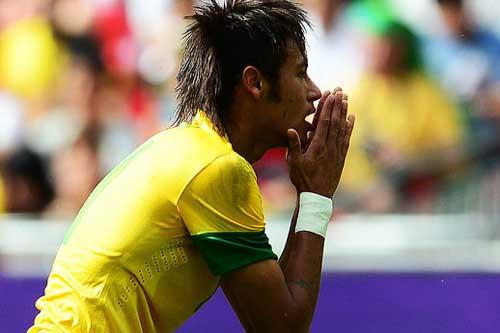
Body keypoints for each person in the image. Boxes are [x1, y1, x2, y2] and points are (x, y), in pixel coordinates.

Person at [29, 0, 354, 332]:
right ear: (254, 82)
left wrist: (309, 193)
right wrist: (316, 195)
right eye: (300, 73)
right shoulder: (217, 168)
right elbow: (282, 327)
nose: (314, 92)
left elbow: (274, 305)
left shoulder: (189, 148)